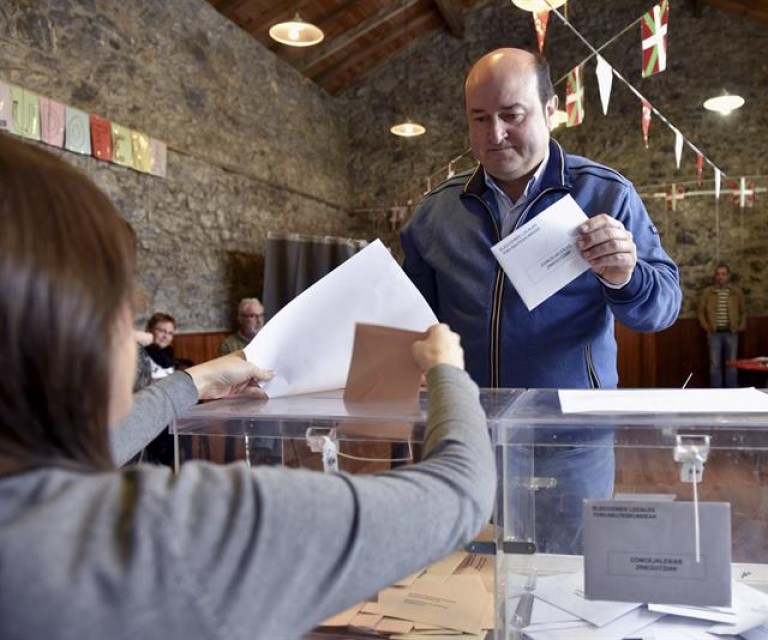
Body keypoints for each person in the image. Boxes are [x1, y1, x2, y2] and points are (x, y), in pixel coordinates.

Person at [0, 133, 495, 639]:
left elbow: (93, 448)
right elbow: (458, 494)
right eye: (122, 315)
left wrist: (191, 383)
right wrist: (447, 372)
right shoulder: (166, 535)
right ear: (76, 342)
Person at [400, 48, 681, 553]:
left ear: (552, 110)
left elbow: (661, 309)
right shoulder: (435, 214)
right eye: (480, 119)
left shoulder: (606, 194)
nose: (494, 135)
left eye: (512, 115)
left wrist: (626, 275)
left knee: (567, 589)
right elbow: (411, 323)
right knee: (468, 590)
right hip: (465, 438)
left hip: (571, 443)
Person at [697, 263, 746, 388]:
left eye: (723, 274)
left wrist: (740, 326)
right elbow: (701, 312)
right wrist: (707, 327)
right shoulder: (708, 293)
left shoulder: (736, 292)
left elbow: (743, 311)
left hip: (731, 332)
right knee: (715, 365)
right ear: (715, 276)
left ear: (728, 276)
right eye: (718, 274)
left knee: (732, 364)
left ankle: (732, 390)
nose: (720, 277)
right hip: (714, 333)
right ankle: (716, 391)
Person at [144, 312, 180, 379]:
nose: (165, 336)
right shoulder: (140, 354)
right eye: (161, 331)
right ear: (149, 330)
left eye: (170, 333)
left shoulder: (168, 353)